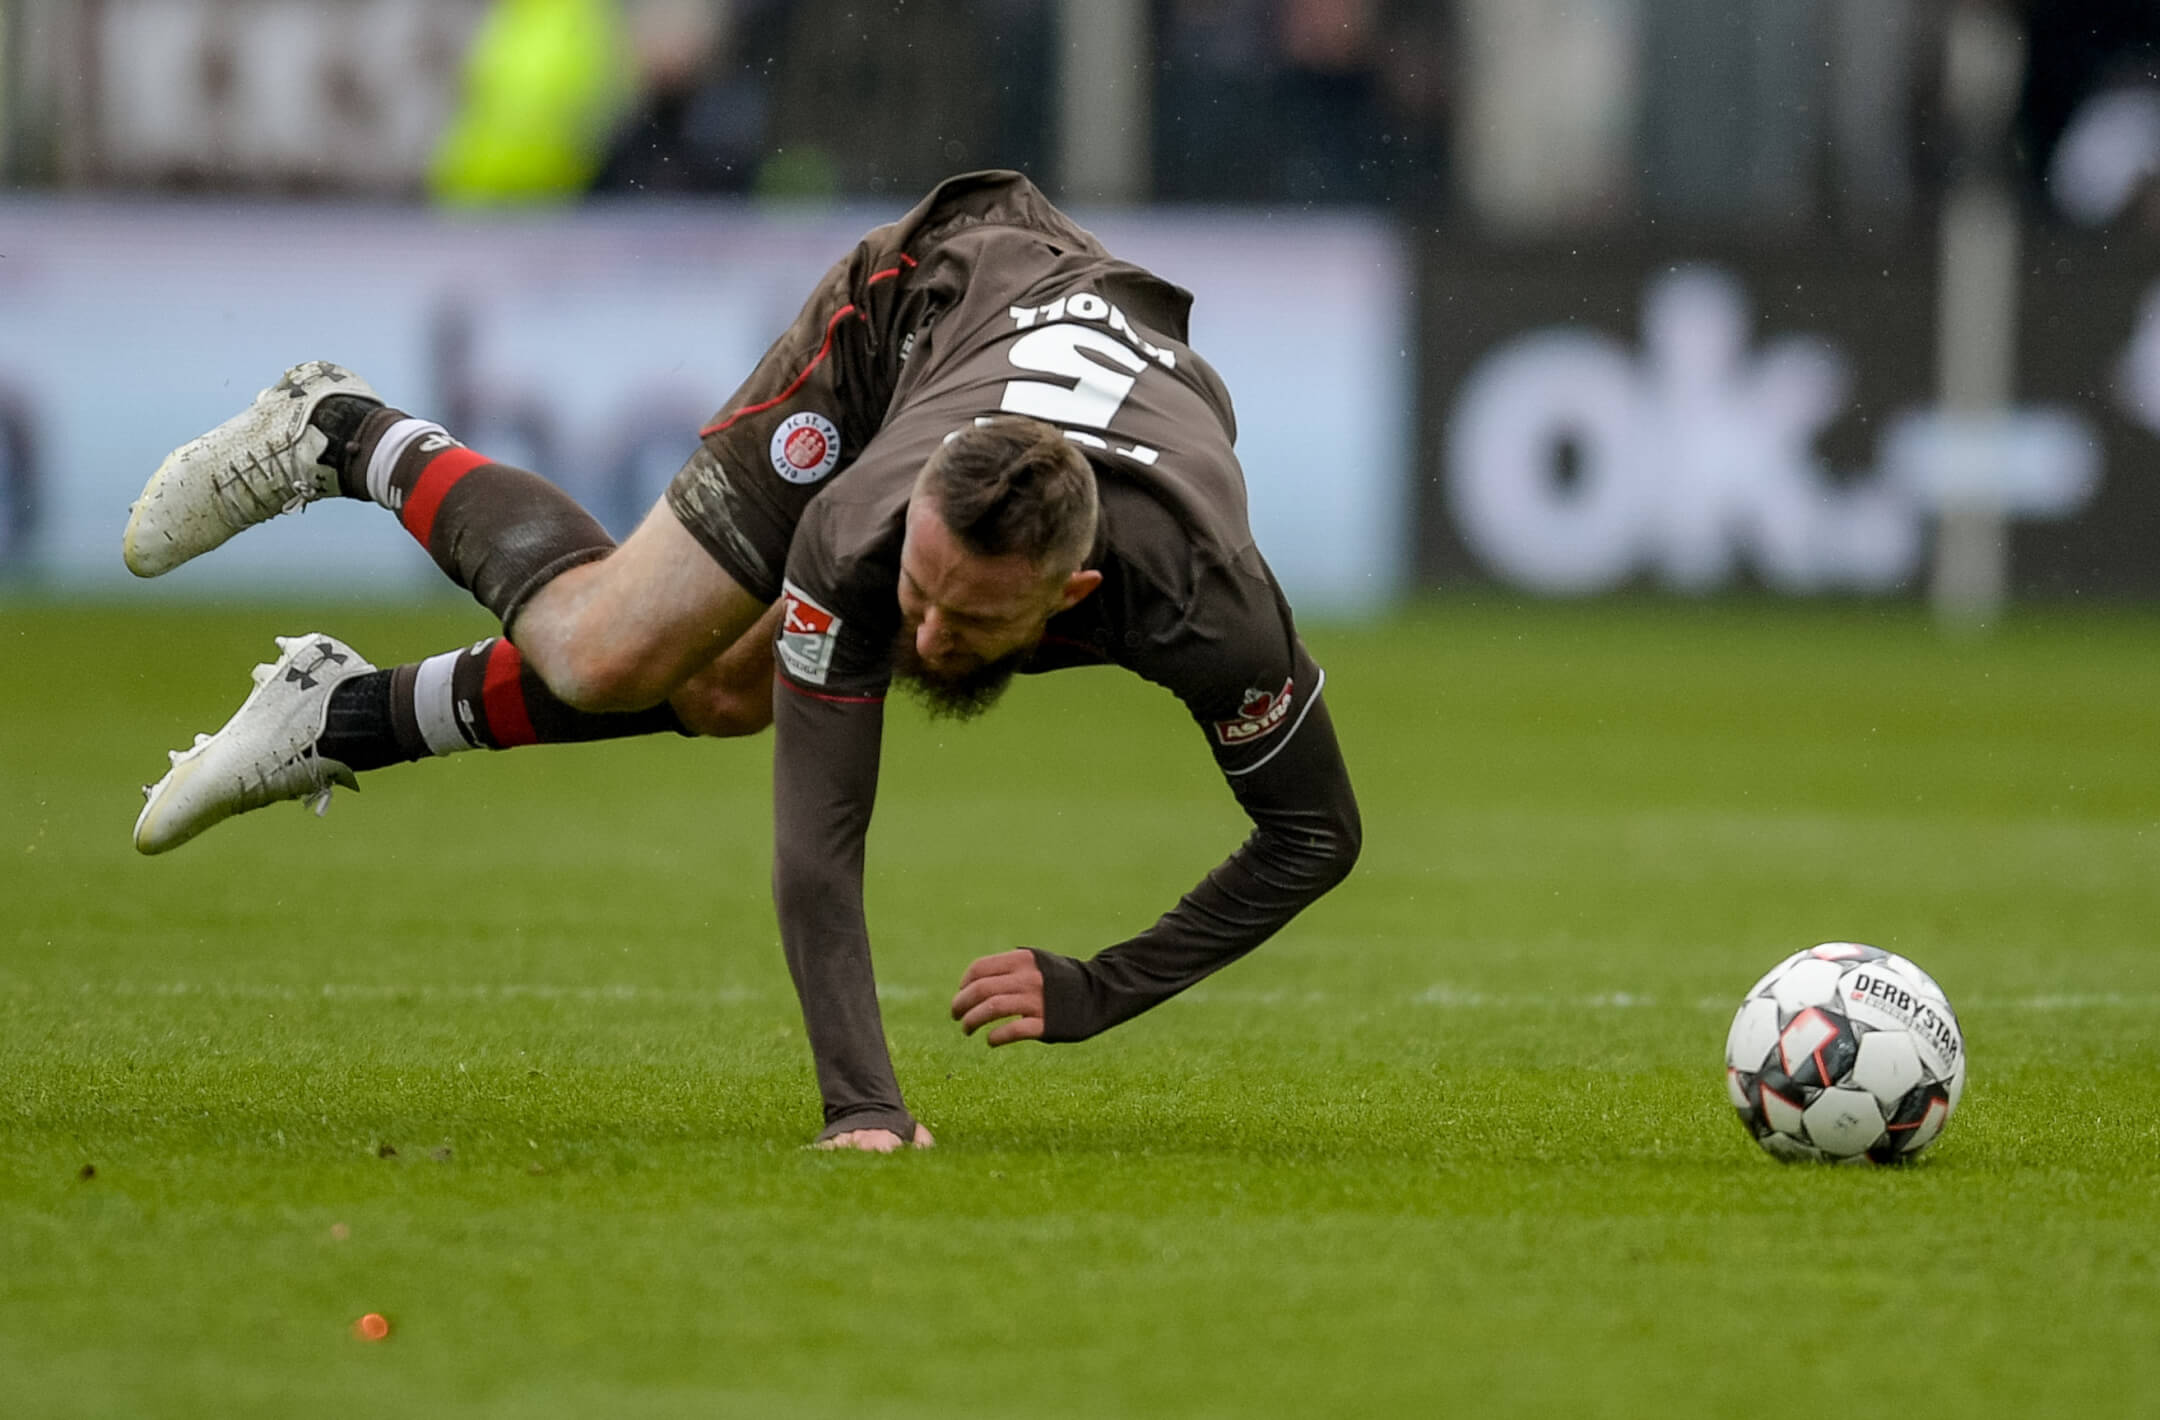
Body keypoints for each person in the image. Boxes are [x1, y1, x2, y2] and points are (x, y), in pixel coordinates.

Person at [123, 171, 1362, 1152]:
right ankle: (340, 429)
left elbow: (1315, 834)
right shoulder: (860, 529)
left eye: (970, 627)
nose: (923, 640)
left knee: (720, 692)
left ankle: (345, 713)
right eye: (916, 596)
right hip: (917, 306)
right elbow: (822, 833)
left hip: (1055, 350)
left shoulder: (1212, 609)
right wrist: (862, 1105)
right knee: (609, 650)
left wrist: (1105, 986)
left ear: (1076, 598)